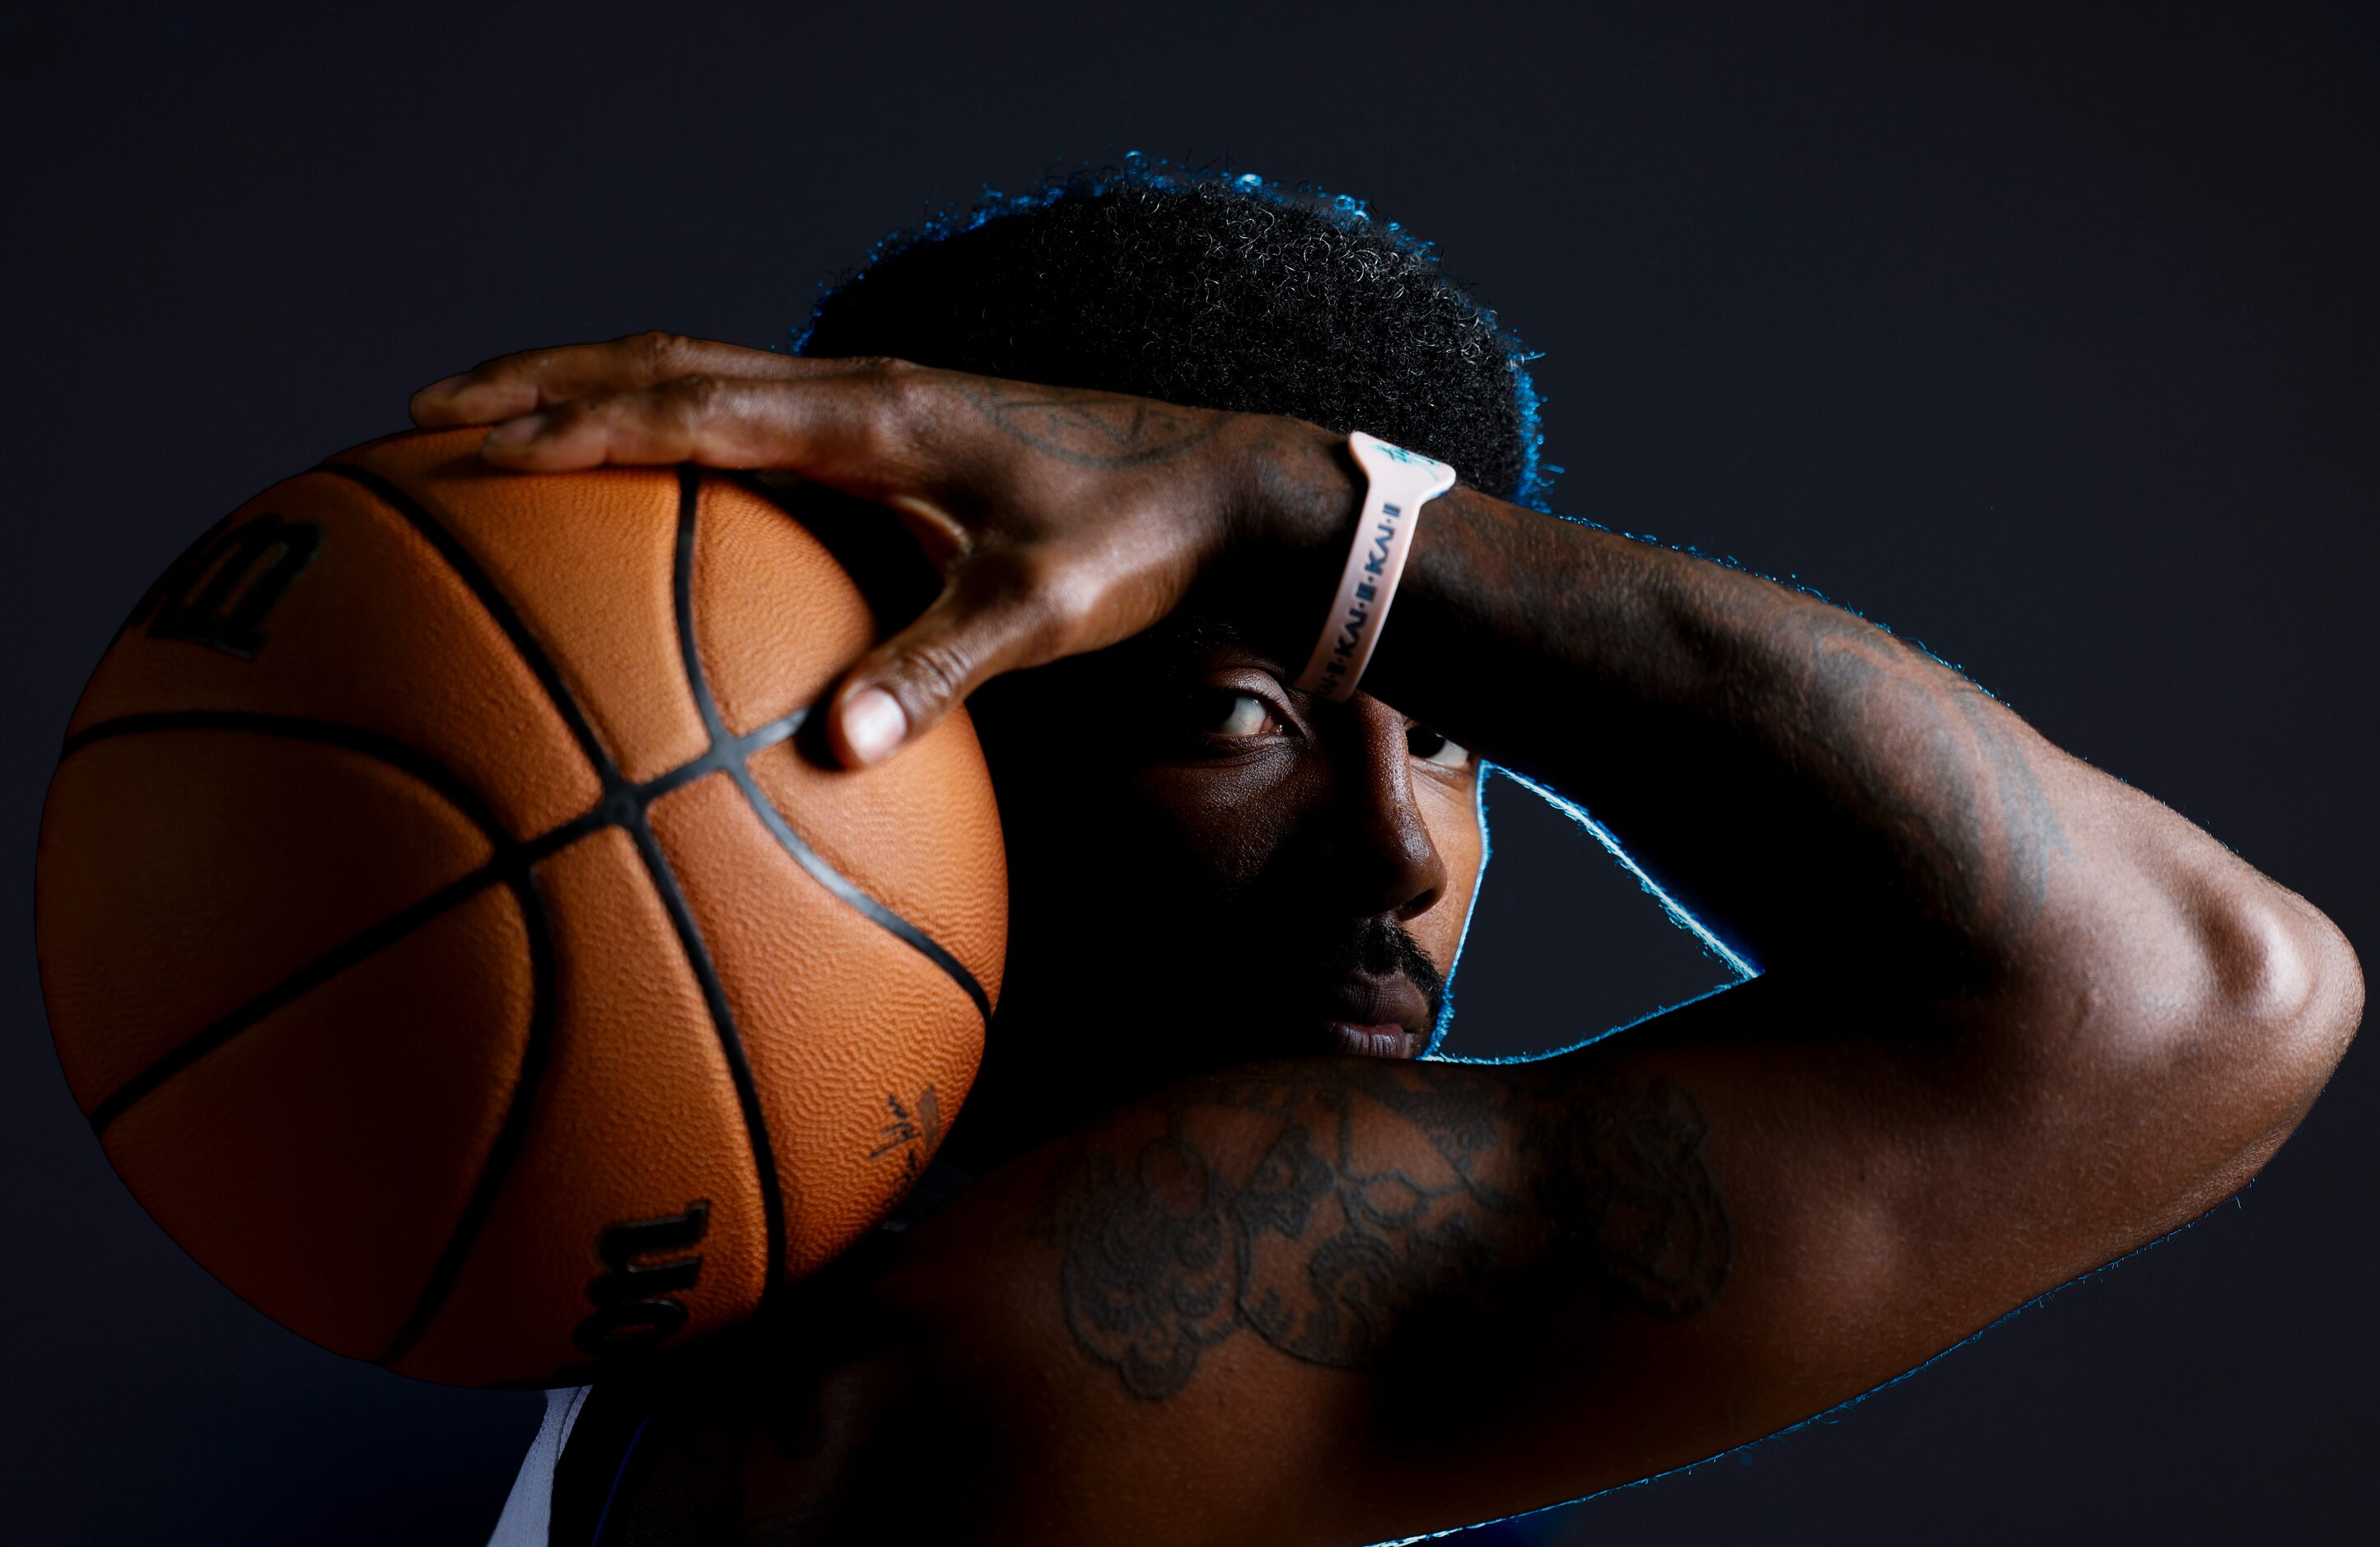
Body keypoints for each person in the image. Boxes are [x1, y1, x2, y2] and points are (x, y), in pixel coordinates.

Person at [413, 166, 2362, 1547]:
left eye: (1454, 740)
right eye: (1234, 718)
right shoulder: (1010, 1368)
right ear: (898, 751)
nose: (1398, 853)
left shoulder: (740, 1357)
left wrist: (1339, 555)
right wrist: (1303, 520)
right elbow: (2188, 1000)